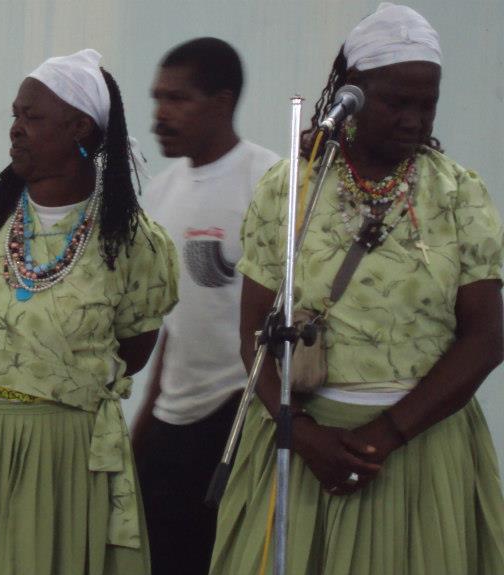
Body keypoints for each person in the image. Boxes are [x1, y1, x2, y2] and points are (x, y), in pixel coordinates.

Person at [210, 4, 504, 574]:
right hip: (302, 448)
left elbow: (486, 338)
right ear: (354, 91)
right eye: (397, 102)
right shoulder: (290, 188)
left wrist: (386, 435)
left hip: (419, 452)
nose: (414, 119)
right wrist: (302, 435)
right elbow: (254, 337)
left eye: (427, 103)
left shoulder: (458, 195)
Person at [0, 49, 179, 575]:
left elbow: (134, 349)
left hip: (59, 454)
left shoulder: (133, 241)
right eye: (15, 115)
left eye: (32, 117)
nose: (15, 128)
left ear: (79, 127)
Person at [131, 37, 279, 575]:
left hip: (242, 418)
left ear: (221, 102)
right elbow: (171, 324)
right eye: (157, 98)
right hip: (170, 425)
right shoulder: (158, 196)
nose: (160, 115)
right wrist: (144, 426)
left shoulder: (269, 183)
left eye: (177, 99)